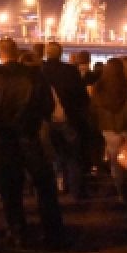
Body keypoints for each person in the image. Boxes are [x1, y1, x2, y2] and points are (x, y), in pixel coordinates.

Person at [0, 37, 64, 249]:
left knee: (10, 188)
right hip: (30, 135)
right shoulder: (34, 75)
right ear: (17, 51)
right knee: (44, 184)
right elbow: (47, 106)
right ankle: (52, 231)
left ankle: (17, 230)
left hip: (5, 138)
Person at [41, 41, 89, 199]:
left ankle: (57, 185)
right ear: (61, 53)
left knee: (52, 155)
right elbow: (81, 96)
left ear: (47, 53)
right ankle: (76, 190)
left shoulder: (40, 70)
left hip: (46, 119)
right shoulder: (71, 71)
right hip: (69, 118)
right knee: (73, 156)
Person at [91, 57, 127, 204]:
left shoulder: (99, 87)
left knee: (115, 162)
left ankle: (121, 191)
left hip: (108, 128)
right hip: (126, 126)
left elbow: (94, 108)